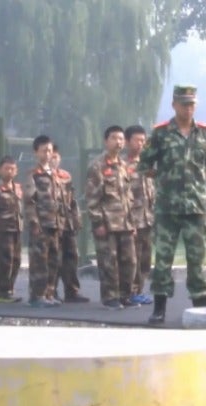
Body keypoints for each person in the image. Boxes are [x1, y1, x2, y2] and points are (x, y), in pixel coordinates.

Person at [138, 84, 206, 324]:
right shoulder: (161, 133)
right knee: (163, 260)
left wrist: (194, 182)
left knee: (198, 261)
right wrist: (164, 178)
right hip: (167, 208)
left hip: (196, 208)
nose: (188, 108)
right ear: (174, 105)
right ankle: (159, 308)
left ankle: (201, 309)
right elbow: (144, 164)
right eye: (184, 104)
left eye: (192, 104)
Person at [85, 125, 138, 310]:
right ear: (106, 141)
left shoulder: (124, 166)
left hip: (125, 223)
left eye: (121, 139)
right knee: (109, 262)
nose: (119, 142)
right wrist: (98, 222)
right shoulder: (97, 166)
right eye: (114, 138)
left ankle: (125, 295)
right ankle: (110, 297)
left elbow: (128, 196)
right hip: (106, 223)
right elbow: (92, 197)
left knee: (130, 261)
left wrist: (132, 222)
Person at [24, 135, 64, 308]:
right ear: (36, 152)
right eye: (43, 150)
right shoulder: (33, 175)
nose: (47, 154)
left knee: (53, 261)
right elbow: (28, 201)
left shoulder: (55, 175)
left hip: (55, 224)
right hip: (40, 226)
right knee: (39, 262)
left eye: (49, 150)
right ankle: (36, 296)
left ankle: (49, 293)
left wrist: (62, 222)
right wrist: (34, 223)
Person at [50, 144, 89, 303]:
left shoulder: (65, 176)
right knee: (53, 259)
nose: (54, 159)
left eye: (56, 155)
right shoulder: (39, 176)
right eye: (51, 155)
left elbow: (72, 200)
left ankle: (72, 291)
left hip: (67, 224)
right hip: (51, 224)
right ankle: (50, 292)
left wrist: (76, 220)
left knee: (71, 257)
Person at [124, 125, 155, 305]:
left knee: (145, 259)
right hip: (132, 220)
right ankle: (130, 292)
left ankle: (140, 291)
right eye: (137, 140)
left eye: (144, 140)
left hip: (148, 219)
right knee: (131, 260)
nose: (141, 144)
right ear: (128, 142)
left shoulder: (147, 166)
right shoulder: (123, 166)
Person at [0, 156, 24, 303]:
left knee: (16, 261)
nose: (9, 172)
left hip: (17, 230)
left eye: (12, 169)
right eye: (6, 169)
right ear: (0, 170)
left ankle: (10, 289)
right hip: (3, 232)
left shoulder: (18, 189)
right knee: (4, 262)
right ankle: (2, 291)